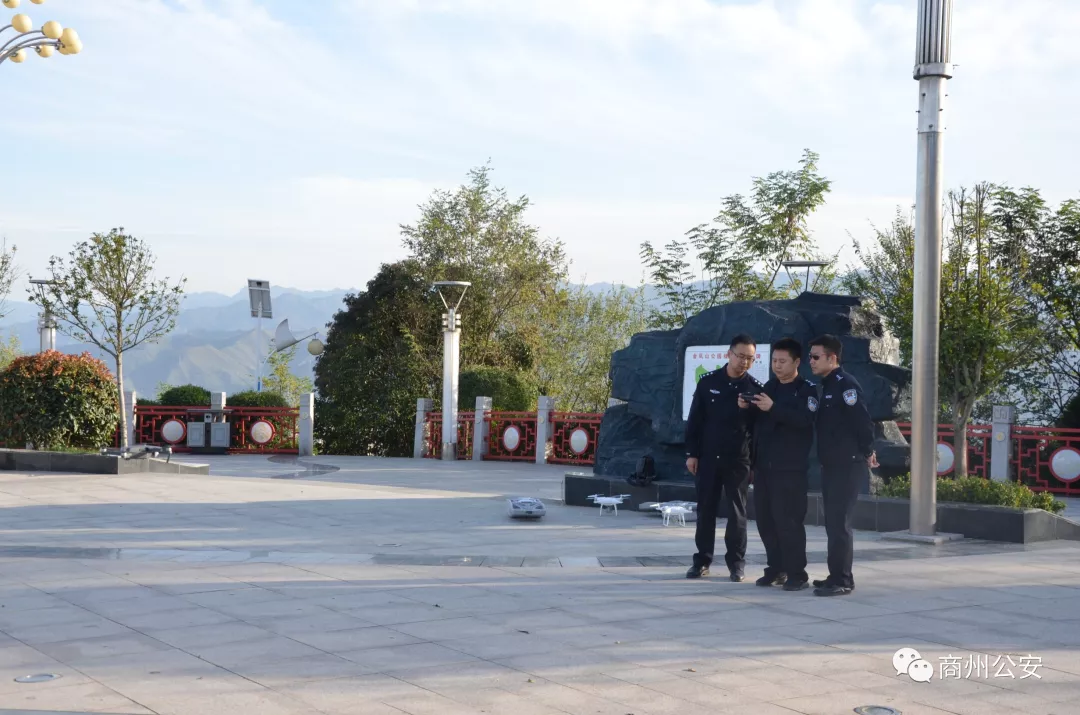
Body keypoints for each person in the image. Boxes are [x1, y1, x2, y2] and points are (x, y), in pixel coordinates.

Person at [684, 334, 763, 582]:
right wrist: (692, 453)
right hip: (708, 457)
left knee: (737, 513)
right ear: (728, 354)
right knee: (705, 510)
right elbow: (695, 420)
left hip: (738, 460)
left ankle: (736, 564)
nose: (744, 362)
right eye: (740, 356)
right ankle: (702, 561)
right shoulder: (708, 382)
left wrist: (754, 463)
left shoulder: (755, 389)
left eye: (750, 358)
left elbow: (757, 430)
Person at [807, 334, 877, 597]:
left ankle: (843, 580)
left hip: (847, 464)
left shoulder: (845, 384)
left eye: (816, 357)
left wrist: (868, 450)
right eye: (810, 356)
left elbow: (862, 421)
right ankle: (835, 574)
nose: (811, 361)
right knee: (833, 523)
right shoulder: (827, 385)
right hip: (832, 464)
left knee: (840, 524)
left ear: (832, 358)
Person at [747, 338, 817, 592]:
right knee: (766, 521)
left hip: (790, 470)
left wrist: (774, 408)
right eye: (774, 361)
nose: (777, 365)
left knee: (789, 522)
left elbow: (804, 420)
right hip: (764, 467)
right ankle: (776, 568)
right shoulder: (770, 386)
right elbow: (759, 423)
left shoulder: (806, 390)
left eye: (782, 361)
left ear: (797, 362)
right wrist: (748, 407)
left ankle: (797, 573)